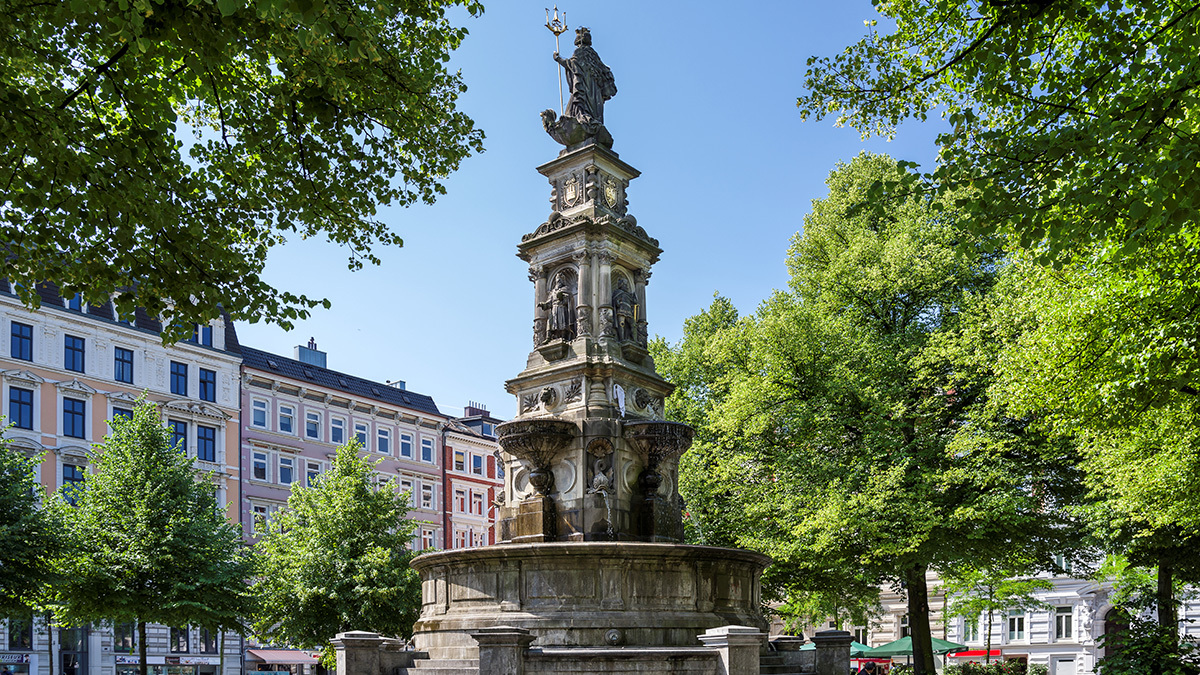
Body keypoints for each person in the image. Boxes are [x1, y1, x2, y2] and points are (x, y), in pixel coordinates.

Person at [553, 27, 617, 126]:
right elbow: (604, 70)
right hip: (595, 92)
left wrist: (558, 58)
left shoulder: (579, 51)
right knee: (593, 113)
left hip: (584, 88)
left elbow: (572, 65)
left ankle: (582, 119)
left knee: (575, 110)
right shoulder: (594, 55)